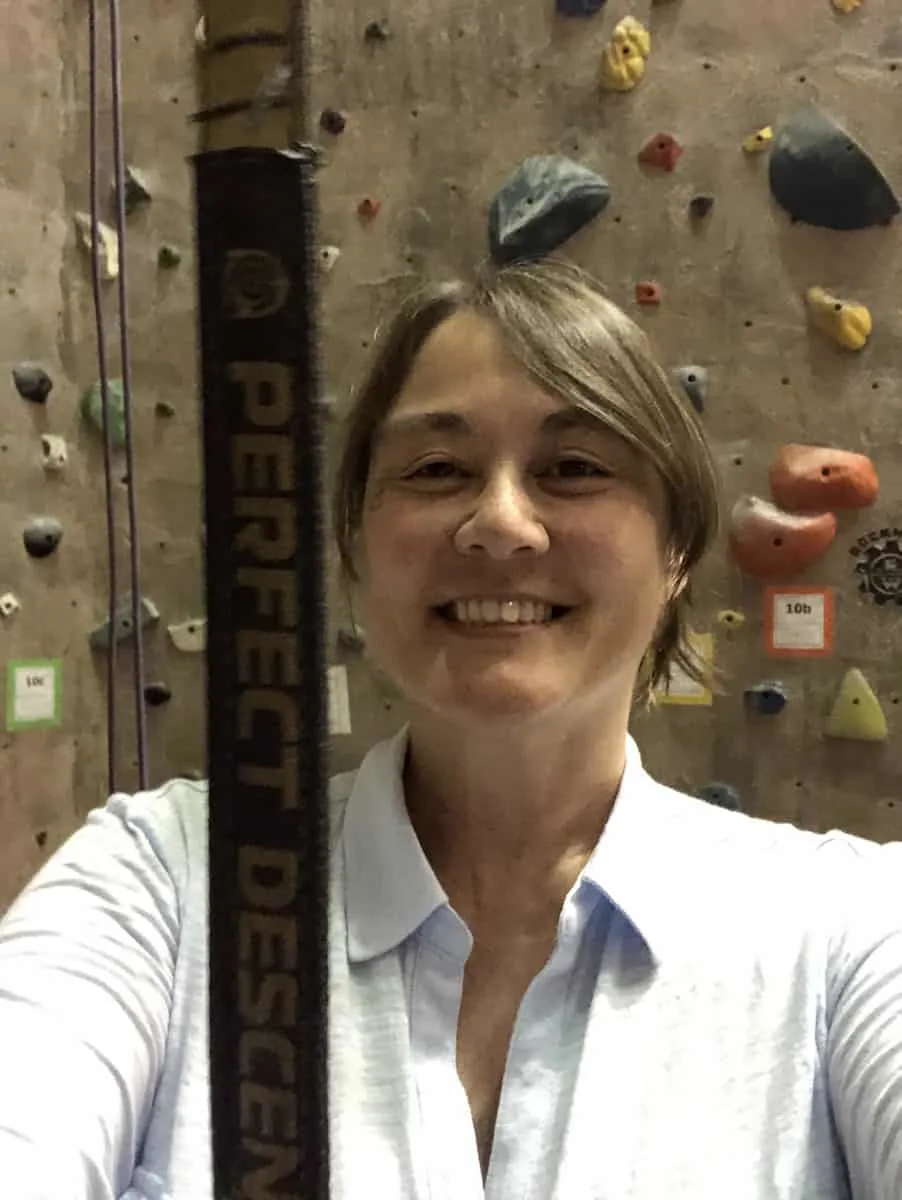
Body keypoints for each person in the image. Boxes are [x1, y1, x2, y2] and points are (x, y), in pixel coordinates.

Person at [0, 258, 900, 1200]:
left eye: (574, 468)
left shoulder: (848, 930)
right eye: (436, 470)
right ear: (354, 546)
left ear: (677, 550)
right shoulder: (164, 887)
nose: (500, 525)